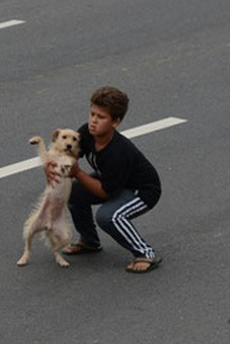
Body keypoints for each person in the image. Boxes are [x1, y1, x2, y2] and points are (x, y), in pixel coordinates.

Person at [46, 86, 162, 273]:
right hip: (115, 182)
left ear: (115, 122)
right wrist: (57, 166)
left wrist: (77, 173)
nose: (93, 121)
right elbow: (70, 155)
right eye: (92, 114)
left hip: (142, 192)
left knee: (109, 217)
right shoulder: (86, 133)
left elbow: (104, 192)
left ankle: (145, 253)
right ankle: (89, 242)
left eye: (101, 117)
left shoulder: (118, 152)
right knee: (73, 192)